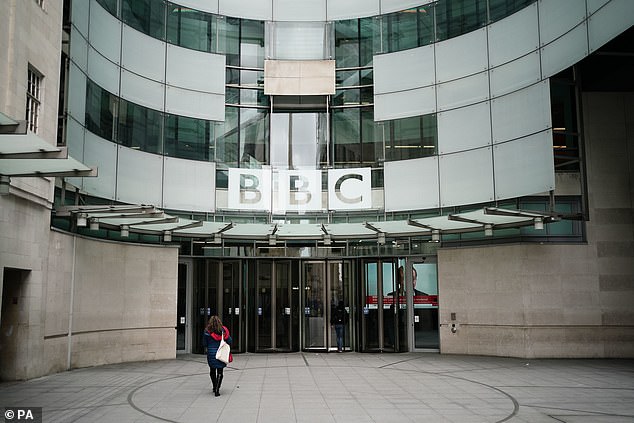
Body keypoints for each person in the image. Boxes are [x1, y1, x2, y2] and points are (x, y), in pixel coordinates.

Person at [203, 315, 232, 397]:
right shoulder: (224, 331)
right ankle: (217, 389)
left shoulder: (207, 331)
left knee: (212, 370)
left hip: (211, 353)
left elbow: (204, 343)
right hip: (221, 353)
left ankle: (214, 386)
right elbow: (230, 340)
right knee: (220, 371)